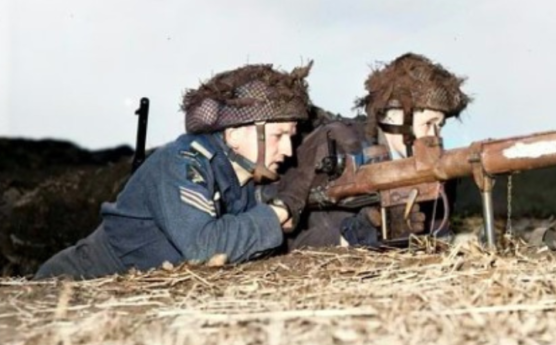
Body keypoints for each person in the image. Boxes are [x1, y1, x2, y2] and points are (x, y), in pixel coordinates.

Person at [35, 62, 315, 279]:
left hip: (136, 298)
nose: (288, 150)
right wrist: (276, 214)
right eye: (279, 136)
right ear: (234, 135)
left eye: (291, 136)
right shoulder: (183, 164)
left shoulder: (239, 178)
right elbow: (204, 249)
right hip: (75, 285)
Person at [282, 52, 471, 249]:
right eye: (428, 123)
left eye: (439, 125)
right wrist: (352, 234)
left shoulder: (434, 169)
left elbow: (438, 237)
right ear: (394, 120)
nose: (434, 136)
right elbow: (286, 239)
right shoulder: (339, 145)